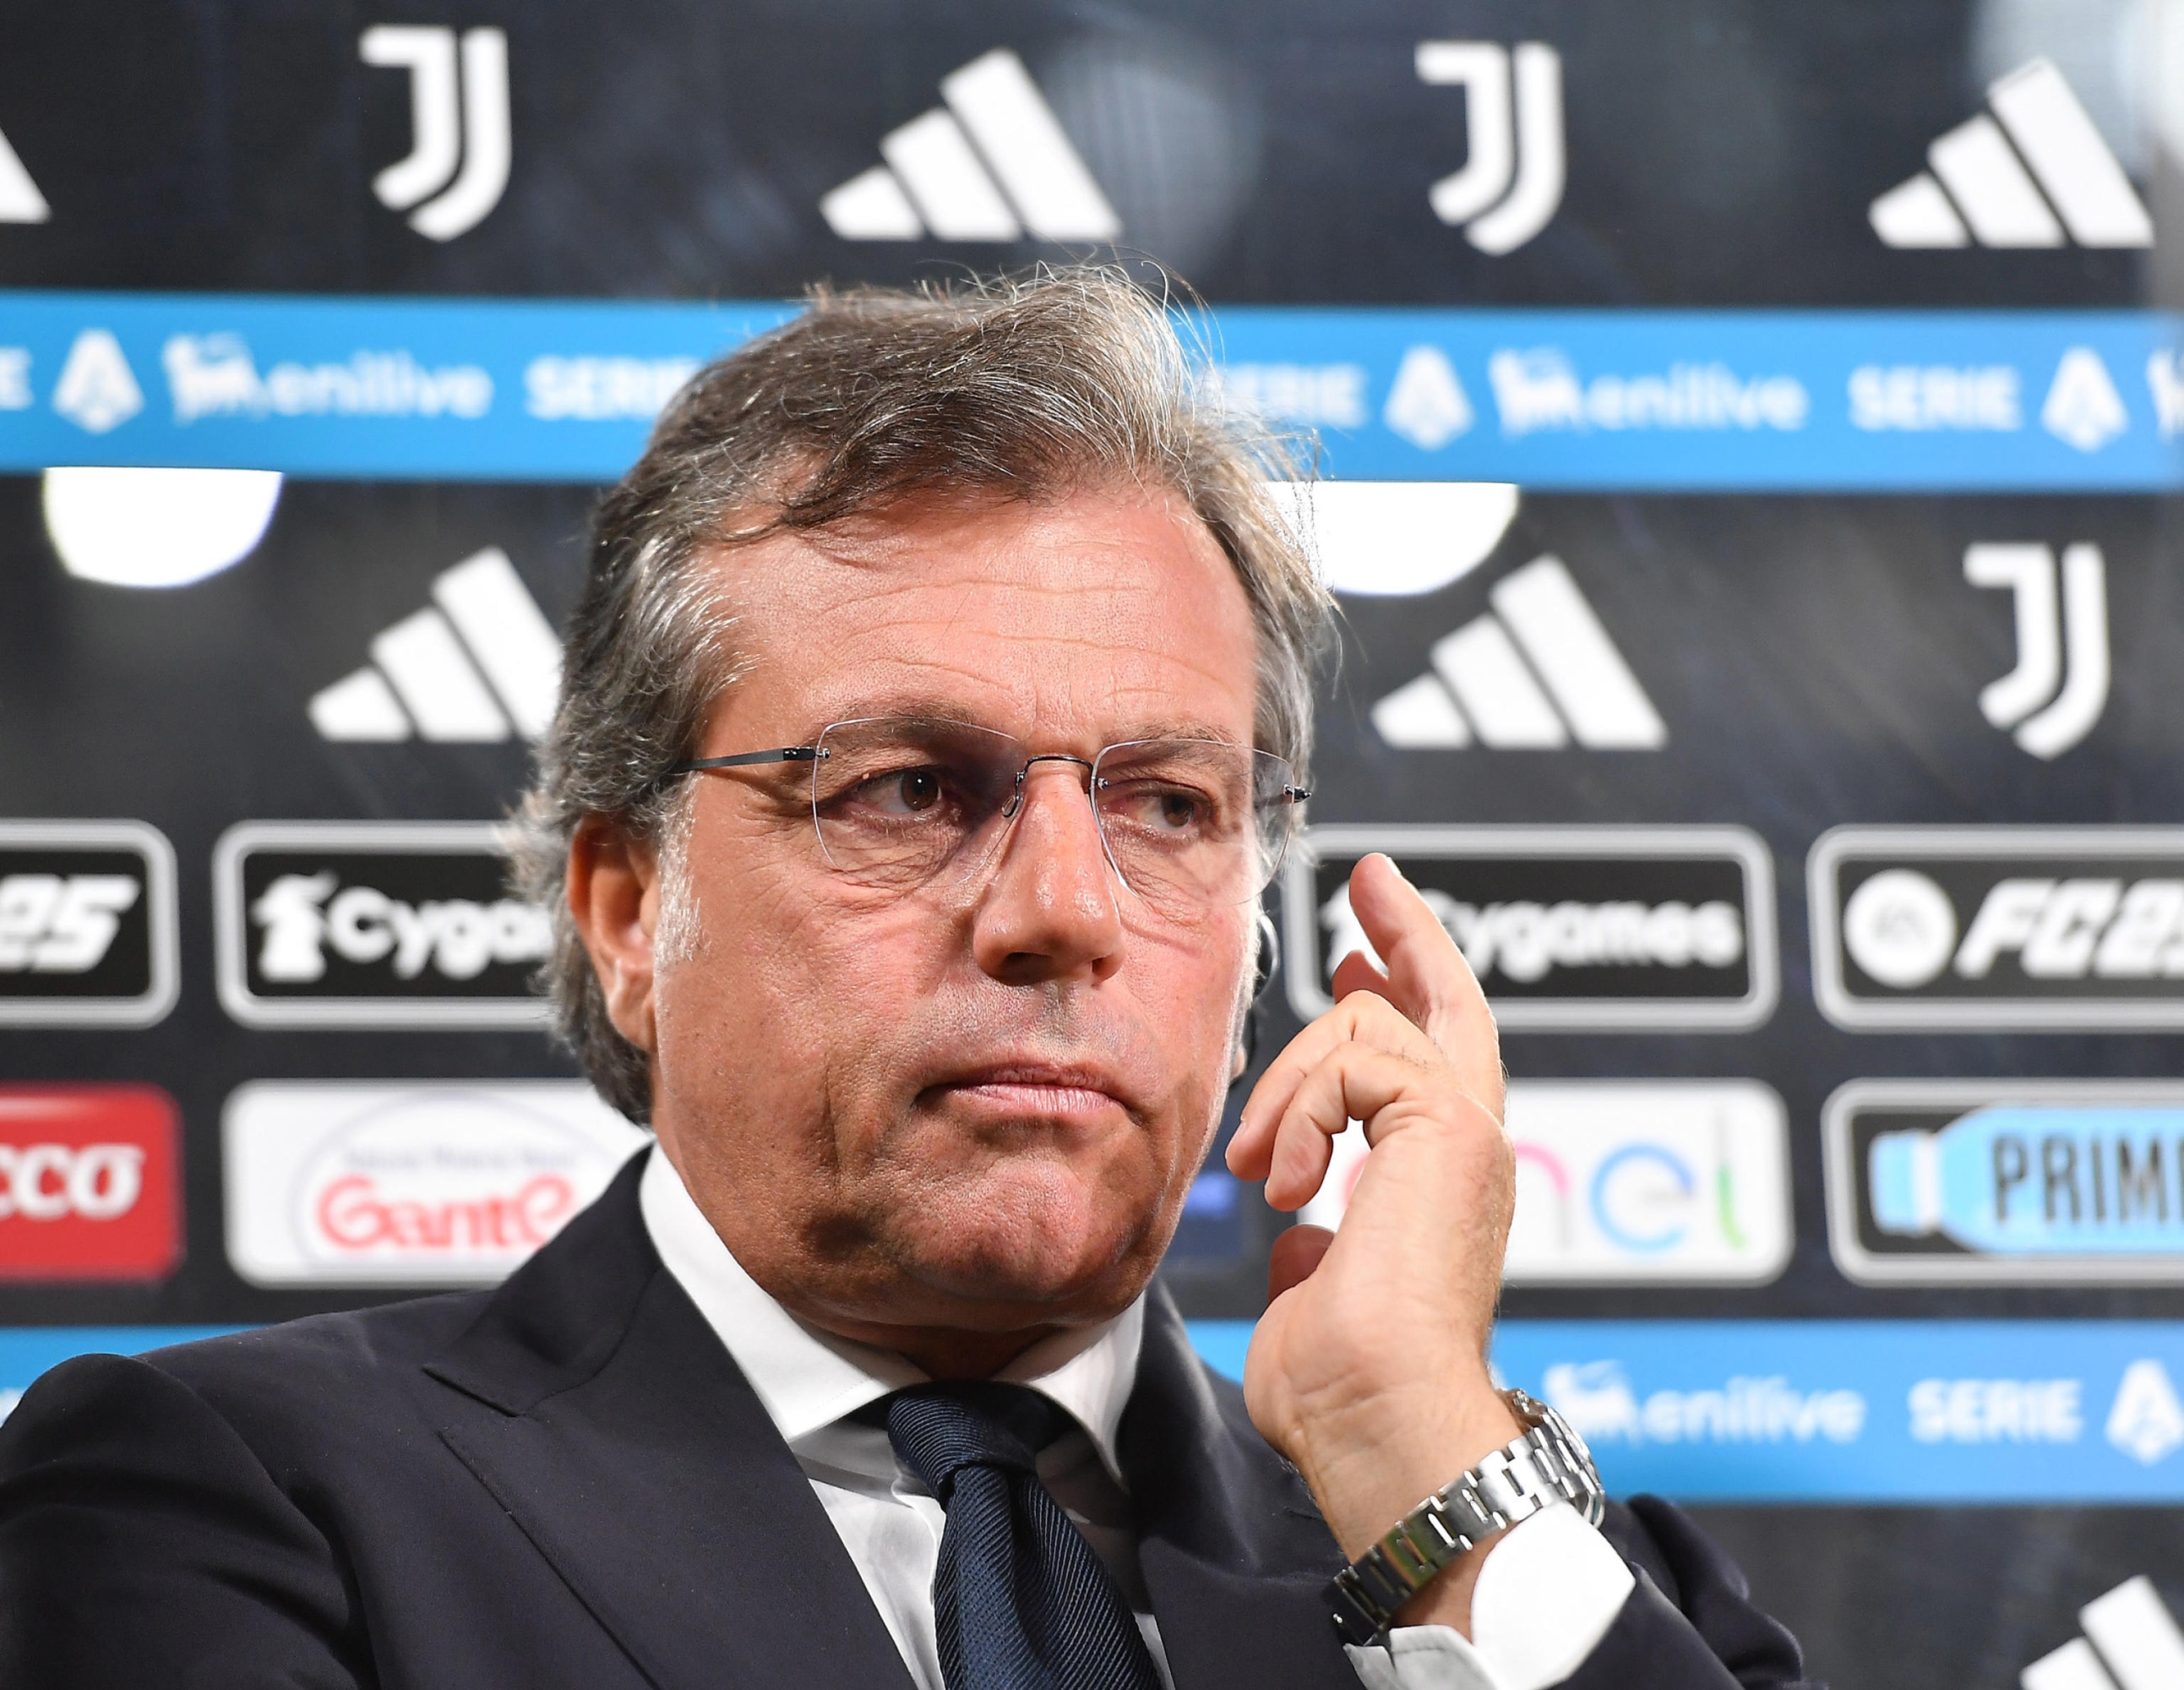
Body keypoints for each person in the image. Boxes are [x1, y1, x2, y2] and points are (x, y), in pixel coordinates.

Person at [0, 270, 1811, 1690]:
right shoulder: (242, 1501)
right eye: (910, 790)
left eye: (1169, 803)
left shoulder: (1540, 1583)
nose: (1063, 909)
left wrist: (1406, 1439)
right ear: (632, 910)